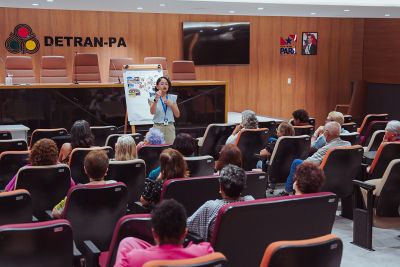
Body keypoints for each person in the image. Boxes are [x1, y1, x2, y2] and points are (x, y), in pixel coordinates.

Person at [114, 199, 214, 267]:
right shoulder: (206, 253)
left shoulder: (132, 259)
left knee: (126, 243)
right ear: (185, 233)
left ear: (154, 234)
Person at [281, 121, 351, 195]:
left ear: (326, 133)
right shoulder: (348, 144)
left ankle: (287, 191)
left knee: (296, 162)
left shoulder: (327, 149)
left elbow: (307, 163)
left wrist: (318, 135)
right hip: (337, 175)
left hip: (320, 173)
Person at [187, 164, 254, 241]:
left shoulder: (211, 207)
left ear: (221, 187)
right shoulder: (250, 201)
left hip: (216, 252)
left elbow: (188, 226)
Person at [52, 149, 115, 218]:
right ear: (106, 170)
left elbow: (55, 212)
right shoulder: (115, 185)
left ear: (85, 170)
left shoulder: (76, 191)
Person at [5, 138, 75, 191]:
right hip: (54, 207)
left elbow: (7, 190)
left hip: (29, 208)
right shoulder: (63, 169)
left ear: (33, 154)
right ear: (55, 154)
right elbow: (72, 187)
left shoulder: (25, 170)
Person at [149, 76, 180, 144]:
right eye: (162, 84)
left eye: (166, 84)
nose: (164, 85)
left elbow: (177, 115)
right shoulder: (152, 98)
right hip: (158, 127)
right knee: (157, 149)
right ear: (157, 86)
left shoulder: (172, 97)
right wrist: (156, 99)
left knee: (170, 148)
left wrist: (171, 105)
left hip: (169, 126)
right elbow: (152, 112)